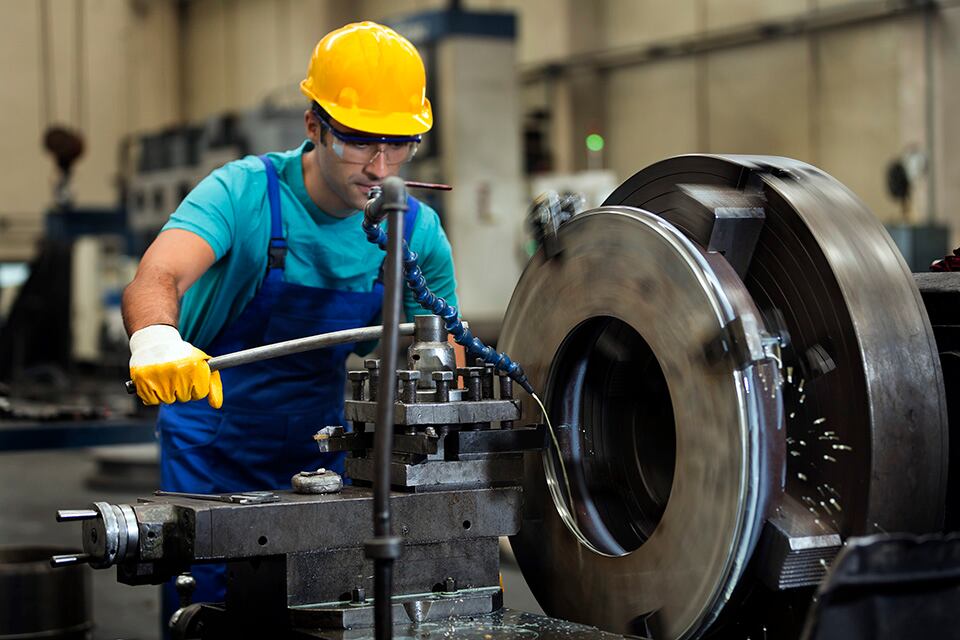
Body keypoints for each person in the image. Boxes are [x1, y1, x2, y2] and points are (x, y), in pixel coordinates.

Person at [122, 21, 459, 617]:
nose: (380, 167)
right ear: (313, 126)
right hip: (212, 439)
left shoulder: (416, 230)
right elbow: (159, 276)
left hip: (321, 443)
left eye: (399, 144)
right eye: (358, 140)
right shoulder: (243, 194)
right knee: (208, 607)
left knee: (320, 602)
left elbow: (441, 352)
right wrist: (153, 336)